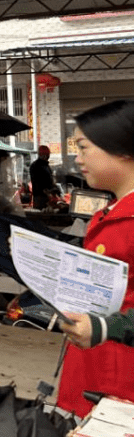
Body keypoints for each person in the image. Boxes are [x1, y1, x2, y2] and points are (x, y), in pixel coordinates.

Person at [53, 100, 134, 418]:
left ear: (123, 150)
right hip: (98, 372)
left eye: (84, 148)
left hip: (122, 383)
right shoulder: (110, 211)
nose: (77, 159)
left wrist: (105, 328)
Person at [0, 149, 24, 216]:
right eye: (6, 157)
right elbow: (2, 184)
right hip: (3, 197)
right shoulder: (1, 169)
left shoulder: (0, 168)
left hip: (1, 197)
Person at [30, 144, 58, 209]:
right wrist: (49, 190)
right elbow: (39, 182)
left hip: (43, 195)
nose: (48, 156)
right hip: (41, 196)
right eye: (47, 155)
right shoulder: (38, 166)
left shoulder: (44, 165)